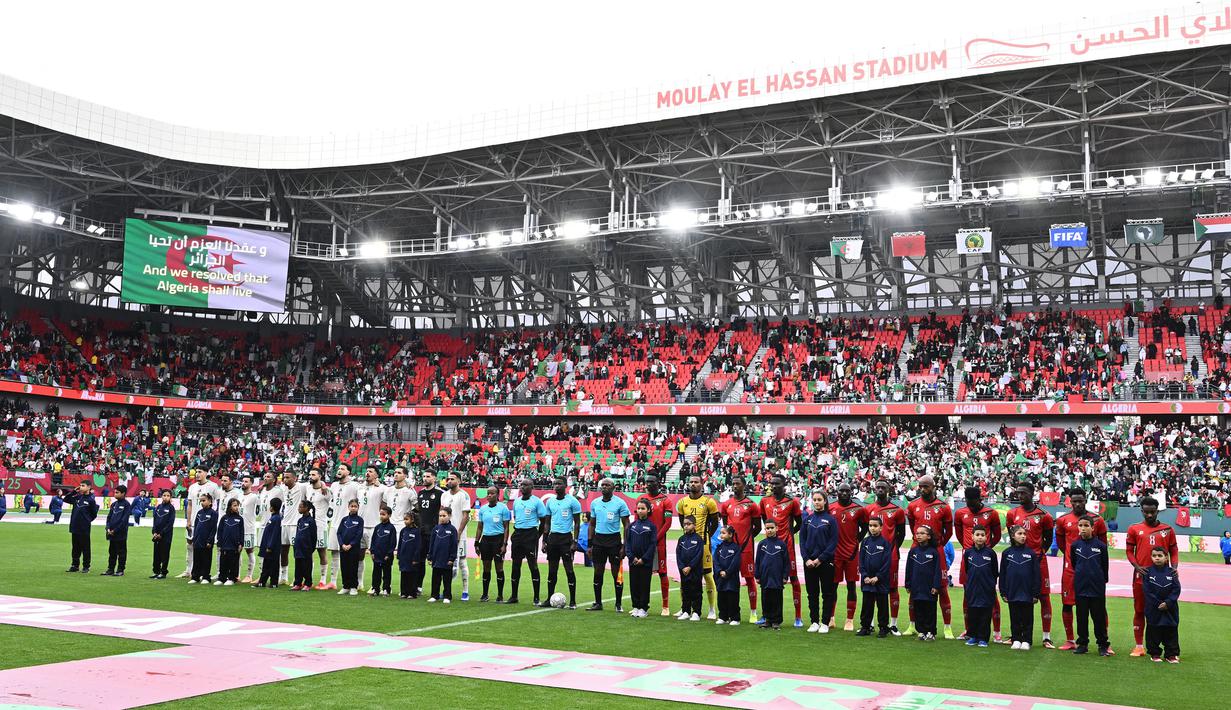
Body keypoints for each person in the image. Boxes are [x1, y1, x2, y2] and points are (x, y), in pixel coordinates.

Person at [1125, 496, 1179, 657]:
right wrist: (1136, 566)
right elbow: (1129, 551)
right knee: (1139, 610)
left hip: (1163, 579)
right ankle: (1139, 646)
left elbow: (1174, 550)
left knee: (1163, 610)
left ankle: (1166, 648)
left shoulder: (1168, 529)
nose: (1149, 515)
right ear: (1142, 511)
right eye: (1146, 512)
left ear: (1158, 511)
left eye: (1153, 512)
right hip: (1141, 577)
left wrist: (1174, 567)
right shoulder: (1134, 529)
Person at [1055, 488, 1108, 651]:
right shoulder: (1063, 520)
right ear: (1070, 501)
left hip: (1092, 572)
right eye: (1074, 501)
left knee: (1099, 607)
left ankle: (1104, 642)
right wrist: (1073, 559)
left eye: (1081, 501)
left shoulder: (1097, 520)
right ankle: (1071, 640)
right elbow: (1062, 544)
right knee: (1068, 604)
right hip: (1071, 570)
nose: (1078, 504)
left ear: (1086, 500)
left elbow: (1102, 546)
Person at [1006, 480, 1056, 647]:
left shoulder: (1044, 516)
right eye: (1018, 492)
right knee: (1017, 598)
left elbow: (1048, 538)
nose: (1020, 496)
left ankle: (1046, 637)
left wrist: (1038, 554)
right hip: (1018, 561)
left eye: (1023, 493)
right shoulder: (1012, 514)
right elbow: (1013, 536)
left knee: (1043, 596)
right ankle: (1016, 635)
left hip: (1038, 561)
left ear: (1032, 493)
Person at [906, 474, 954, 638]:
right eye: (920, 486)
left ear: (933, 487)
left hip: (937, 550)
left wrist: (938, 543)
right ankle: (913, 625)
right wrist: (919, 540)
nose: (922, 489)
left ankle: (947, 627)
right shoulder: (913, 506)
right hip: (917, 549)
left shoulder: (943, 507)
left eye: (926, 486)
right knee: (914, 588)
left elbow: (949, 531)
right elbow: (913, 527)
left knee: (941, 587)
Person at [955, 486, 1003, 642]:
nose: (970, 505)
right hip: (968, 557)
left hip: (985, 557)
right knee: (968, 594)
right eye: (968, 502)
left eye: (973, 502)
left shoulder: (991, 513)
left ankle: (996, 631)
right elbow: (960, 535)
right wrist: (970, 550)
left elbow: (997, 535)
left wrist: (987, 549)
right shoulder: (960, 513)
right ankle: (969, 629)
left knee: (991, 594)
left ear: (980, 499)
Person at [865, 479, 908, 634]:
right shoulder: (869, 509)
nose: (881, 489)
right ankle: (869, 623)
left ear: (889, 489)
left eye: (883, 487)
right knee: (871, 588)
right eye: (878, 487)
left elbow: (901, 533)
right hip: (872, 555)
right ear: (875, 489)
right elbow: (865, 530)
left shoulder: (897, 510)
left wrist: (891, 549)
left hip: (891, 556)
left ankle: (893, 624)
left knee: (892, 588)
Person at [759, 473, 802, 626]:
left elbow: (799, 522)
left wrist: (789, 534)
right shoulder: (764, 501)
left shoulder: (792, 502)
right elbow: (765, 519)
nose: (774, 486)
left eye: (777, 483)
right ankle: (766, 616)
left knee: (793, 579)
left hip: (787, 546)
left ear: (784, 485)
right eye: (772, 483)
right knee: (767, 579)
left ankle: (798, 617)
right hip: (770, 546)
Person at [719, 475, 761, 623]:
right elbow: (726, 527)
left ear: (744, 485)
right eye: (733, 484)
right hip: (730, 549)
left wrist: (746, 540)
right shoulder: (726, 505)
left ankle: (753, 612)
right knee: (729, 578)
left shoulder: (751, 505)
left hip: (746, 549)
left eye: (738, 484)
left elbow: (757, 527)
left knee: (749, 578)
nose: (735, 486)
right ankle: (729, 612)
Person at [830, 482, 869, 632]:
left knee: (851, 585)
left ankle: (849, 619)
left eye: (847, 491)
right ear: (837, 492)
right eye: (842, 491)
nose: (844, 494)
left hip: (852, 553)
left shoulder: (859, 510)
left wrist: (856, 541)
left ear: (851, 492)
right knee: (832, 586)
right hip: (835, 554)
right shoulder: (831, 508)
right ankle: (831, 618)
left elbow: (864, 527)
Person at [587, 478, 630, 613]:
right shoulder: (595, 503)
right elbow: (592, 524)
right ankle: (598, 602)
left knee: (616, 574)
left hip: (614, 541)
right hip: (598, 541)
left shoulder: (620, 503)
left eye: (607, 485)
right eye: (603, 485)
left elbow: (627, 525)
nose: (604, 487)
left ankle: (618, 604)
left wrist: (625, 545)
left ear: (613, 488)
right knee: (598, 572)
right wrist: (590, 544)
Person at [1070, 515, 1112, 656]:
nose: (1083, 528)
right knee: (1081, 617)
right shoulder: (1075, 546)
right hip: (1081, 587)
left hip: (1097, 588)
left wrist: (1101, 581)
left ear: (1093, 528)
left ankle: (1102, 645)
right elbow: (1075, 565)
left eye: (1086, 525)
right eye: (1080, 525)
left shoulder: (1101, 546)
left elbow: (1105, 566)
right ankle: (1082, 644)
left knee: (1098, 617)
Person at [800, 488, 838, 633]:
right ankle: (814, 621)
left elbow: (833, 543)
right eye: (814, 500)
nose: (817, 502)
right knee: (812, 594)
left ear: (825, 501)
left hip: (826, 563)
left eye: (819, 500)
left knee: (827, 593)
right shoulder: (807, 519)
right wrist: (807, 559)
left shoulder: (831, 520)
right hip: (809, 564)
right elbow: (802, 541)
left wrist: (820, 559)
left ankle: (825, 622)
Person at [540, 477, 581, 610]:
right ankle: (549, 597)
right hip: (553, 539)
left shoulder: (572, 502)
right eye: (555, 484)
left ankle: (573, 601)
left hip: (566, 539)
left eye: (559, 484)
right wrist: (544, 540)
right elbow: (547, 523)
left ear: (565, 486)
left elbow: (577, 523)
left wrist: (575, 541)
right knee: (552, 570)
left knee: (569, 569)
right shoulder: (550, 502)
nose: (557, 486)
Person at [636, 474, 675, 616]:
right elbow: (636, 520)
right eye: (647, 482)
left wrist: (655, 539)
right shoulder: (641, 499)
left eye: (652, 482)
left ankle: (665, 606)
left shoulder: (666, 500)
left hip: (658, 544)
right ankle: (640, 604)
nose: (648, 484)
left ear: (658, 483)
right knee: (642, 574)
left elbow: (668, 523)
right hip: (642, 543)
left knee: (662, 573)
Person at [999, 525, 1041, 651]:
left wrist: (1035, 593)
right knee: (1015, 617)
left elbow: (1036, 575)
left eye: (1024, 534)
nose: (1023, 536)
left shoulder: (1031, 554)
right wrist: (1003, 591)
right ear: (1012, 536)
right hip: (1012, 591)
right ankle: (1016, 639)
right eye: (1019, 534)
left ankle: (1027, 640)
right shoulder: (1007, 553)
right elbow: (1003, 574)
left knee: (1027, 617)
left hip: (1027, 592)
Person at [508, 477, 548, 605]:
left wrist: (538, 535)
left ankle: (536, 598)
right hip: (518, 534)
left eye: (526, 485)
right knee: (515, 565)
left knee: (533, 565)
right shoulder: (517, 501)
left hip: (530, 534)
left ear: (532, 487)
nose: (522, 487)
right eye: (521, 485)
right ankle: (514, 596)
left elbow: (544, 521)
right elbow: (516, 517)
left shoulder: (537, 502)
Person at [1143, 546, 1181, 663]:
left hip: (1170, 609)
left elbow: (1176, 589)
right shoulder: (1147, 572)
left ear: (1166, 558)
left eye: (1160, 556)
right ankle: (1154, 653)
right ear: (1151, 557)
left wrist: (1168, 603)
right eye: (1154, 556)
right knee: (1153, 630)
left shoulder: (1172, 572)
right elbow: (1147, 590)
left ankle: (1171, 654)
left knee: (1171, 631)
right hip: (1154, 608)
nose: (1157, 558)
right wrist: (1158, 603)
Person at [962, 525, 999, 648]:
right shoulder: (968, 553)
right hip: (972, 589)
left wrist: (990, 585)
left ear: (986, 537)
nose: (980, 537)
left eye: (982, 535)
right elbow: (967, 570)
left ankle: (983, 638)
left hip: (986, 590)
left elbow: (995, 572)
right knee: (973, 614)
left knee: (985, 614)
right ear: (972, 537)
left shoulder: (991, 553)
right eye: (977, 535)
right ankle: (973, 636)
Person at [856, 516, 892, 637]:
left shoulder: (885, 543)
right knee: (867, 604)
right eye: (870, 526)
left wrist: (878, 577)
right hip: (867, 581)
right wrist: (865, 575)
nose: (872, 528)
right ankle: (865, 627)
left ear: (881, 528)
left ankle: (883, 627)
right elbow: (860, 561)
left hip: (880, 581)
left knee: (882, 605)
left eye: (875, 526)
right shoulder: (865, 542)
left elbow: (886, 563)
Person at [180, 470, 220, 579]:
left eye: (200, 472)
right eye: (196, 472)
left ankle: (212, 572)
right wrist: (188, 520)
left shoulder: (213, 486)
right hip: (194, 521)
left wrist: (214, 516)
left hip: (207, 521)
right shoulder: (192, 487)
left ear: (206, 473)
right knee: (190, 544)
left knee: (208, 546)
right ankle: (189, 570)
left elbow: (218, 501)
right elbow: (189, 504)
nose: (197, 474)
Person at [906, 525, 942, 641]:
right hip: (916, 587)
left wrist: (936, 586)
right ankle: (921, 631)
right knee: (918, 610)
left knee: (930, 610)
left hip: (929, 588)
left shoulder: (934, 552)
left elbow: (937, 571)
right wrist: (908, 584)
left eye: (922, 533)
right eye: (917, 533)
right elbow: (909, 569)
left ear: (929, 536)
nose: (919, 535)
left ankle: (931, 632)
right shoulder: (913, 551)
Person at [475, 488, 512, 602]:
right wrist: (477, 542)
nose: (489, 495)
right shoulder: (483, 509)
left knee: (499, 568)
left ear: (498, 495)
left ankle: (500, 595)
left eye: (492, 493)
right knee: (486, 568)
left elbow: (506, 527)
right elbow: (480, 527)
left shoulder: (503, 508)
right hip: (486, 540)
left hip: (498, 540)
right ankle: (485, 594)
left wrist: (504, 544)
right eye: (488, 493)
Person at [325, 465, 358, 590]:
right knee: (334, 552)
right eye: (339, 468)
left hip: (347, 525)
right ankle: (333, 582)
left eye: (343, 469)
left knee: (349, 554)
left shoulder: (354, 486)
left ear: (349, 472)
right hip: (334, 523)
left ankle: (356, 583)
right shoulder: (333, 485)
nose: (339, 470)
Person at [440, 473, 471, 600]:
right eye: (449, 479)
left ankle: (465, 591)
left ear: (459, 480)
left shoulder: (464, 495)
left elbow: (466, 516)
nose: (450, 481)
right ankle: (447, 590)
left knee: (462, 562)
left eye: (452, 479)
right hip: (445, 534)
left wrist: (458, 533)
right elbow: (442, 513)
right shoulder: (444, 495)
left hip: (459, 535)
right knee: (445, 562)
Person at [627, 500, 659, 619]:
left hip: (645, 563)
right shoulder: (632, 525)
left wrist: (644, 559)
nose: (640, 510)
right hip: (633, 561)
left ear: (649, 510)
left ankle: (643, 608)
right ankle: (635, 606)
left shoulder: (651, 526)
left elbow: (652, 545)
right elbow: (628, 543)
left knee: (644, 585)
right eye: (638, 508)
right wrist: (632, 557)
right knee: (634, 584)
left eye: (643, 508)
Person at [414, 471, 445, 595]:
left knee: (436, 562)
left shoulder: (440, 493)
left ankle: (437, 590)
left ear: (434, 478)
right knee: (419, 560)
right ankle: (418, 587)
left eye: (428, 476)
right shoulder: (420, 493)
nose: (425, 478)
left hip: (434, 532)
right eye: (424, 476)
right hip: (421, 532)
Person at [358, 467, 388, 592]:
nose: (367, 473)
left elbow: (388, 497)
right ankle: (359, 583)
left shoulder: (382, 488)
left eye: (371, 471)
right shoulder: (359, 487)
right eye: (367, 471)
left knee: (376, 557)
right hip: (360, 526)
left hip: (374, 526)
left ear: (376, 475)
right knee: (359, 556)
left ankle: (376, 585)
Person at [755, 519, 789, 630]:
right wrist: (757, 575)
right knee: (765, 599)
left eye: (772, 528)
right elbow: (758, 561)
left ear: (777, 528)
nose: (769, 530)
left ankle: (776, 621)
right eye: (767, 528)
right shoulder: (762, 544)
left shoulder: (782, 544)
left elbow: (786, 562)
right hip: (765, 577)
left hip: (777, 577)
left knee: (777, 599)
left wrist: (785, 576)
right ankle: (767, 620)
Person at [281, 471, 312, 586]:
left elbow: (315, 485)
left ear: (295, 478)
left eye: (288, 477)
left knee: (297, 552)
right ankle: (283, 576)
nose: (285, 479)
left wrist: (323, 485)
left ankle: (299, 578)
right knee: (283, 551)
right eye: (284, 477)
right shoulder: (283, 489)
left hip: (296, 524)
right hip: (284, 523)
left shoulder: (302, 487)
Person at [64, 482, 99, 573]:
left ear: (89, 487)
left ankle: (86, 566)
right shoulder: (77, 497)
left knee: (85, 547)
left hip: (84, 527)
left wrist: (86, 521)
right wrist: (73, 492)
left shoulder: (91, 499)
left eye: (83, 486)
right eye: (80, 485)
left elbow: (94, 514)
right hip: (74, 526)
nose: (81, 487)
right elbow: (66, 499)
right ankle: (75, 565)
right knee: (75, 547)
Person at [676, 515, 704, 621]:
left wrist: (690, 567)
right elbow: (678, 555)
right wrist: (682, 567)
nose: (686, 526)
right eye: (684, 524)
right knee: (685, 591)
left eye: (689, 524)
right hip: (684, 571)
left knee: (696, 591)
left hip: (695, 571)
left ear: (694, 525)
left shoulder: (698, 539)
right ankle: (686, 611)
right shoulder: (681, 539)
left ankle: (696, 612)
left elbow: (698, 555)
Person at [307, 469, 332, 589]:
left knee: (322, 552)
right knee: (308, 553)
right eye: (310, 474)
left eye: (313, 474)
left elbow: (330, 499)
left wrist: (323, 485)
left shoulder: (325, 491)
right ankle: (308, 579)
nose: (310, 476)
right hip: (308, 526)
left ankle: (323, 580)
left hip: (321, 525)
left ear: (320, 476)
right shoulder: (307, 488)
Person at [713, 525, 743, 625]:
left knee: (732, 598)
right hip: (721, 578)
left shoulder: (736, 548)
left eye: (723, 533)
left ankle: (735, 618)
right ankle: (723, 616)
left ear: (730, 534)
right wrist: (720, 571)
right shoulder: (719, 548)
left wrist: (727, 572)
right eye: (720, 533)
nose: (721, 535)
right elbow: (715, 561)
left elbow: (736, 562)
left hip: (731, 578)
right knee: (721, 598)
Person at [428, 508, 458, 603]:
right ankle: (434, 595)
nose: (442, 518)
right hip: (436, 559)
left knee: (447, 579)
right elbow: (431, 544)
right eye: (440, 516)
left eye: (444, 516)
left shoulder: (452, 530)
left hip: (447, 559)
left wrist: (452, 558)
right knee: (435, 578)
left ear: (449, 516)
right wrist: (430, 557)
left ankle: (447, 596)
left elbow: (454, 545)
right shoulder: (436, 529)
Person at [101, 485, 131, 577]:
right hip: (111, 533)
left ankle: (120, 570)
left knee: (121, 552)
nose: (115, 494)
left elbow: (124, 520)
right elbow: (109, 518)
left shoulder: (127, 505)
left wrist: (115, 530)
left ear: (123, 494)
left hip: (121, 533)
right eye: (115, 492)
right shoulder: (114, 504)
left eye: (117, 492)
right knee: (112, 552)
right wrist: (108, 528)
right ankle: (110, 569)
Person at [253, 498, 283, 588]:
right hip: (269, 546)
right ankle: (262, 582)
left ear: (272, 507)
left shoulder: (276, 519)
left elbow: (274, 533)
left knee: (273, 565)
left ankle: (273, 583)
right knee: (266, 565)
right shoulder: (273, 517)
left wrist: (270, 546)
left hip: (272, 548)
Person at [367, 505, 396, 596]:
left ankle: (386, 589)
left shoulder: (391, 528)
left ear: (389, 515)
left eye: (384, 514)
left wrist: (388, 554)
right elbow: (373, 540)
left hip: (386, 556)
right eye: (380, 514)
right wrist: (372, 552)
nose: (382, 516)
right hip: (377, 555)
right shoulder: (377, 527)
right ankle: (375, 589)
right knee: (376, 573)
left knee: (386, 573)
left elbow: (393, 542)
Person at [337, 498, 364, 596]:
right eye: (351, 506)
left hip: (354, 549)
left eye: (355, 506)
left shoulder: (360, 520)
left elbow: (359, 534)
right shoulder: (344, 520)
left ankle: (353, 587)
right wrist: (342, 544)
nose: (353, 508)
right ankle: (345, 586)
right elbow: (339, 533)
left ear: (358, 508)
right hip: (343, 548)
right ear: (348, 507)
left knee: (353, 567)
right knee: (344, 567)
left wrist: (351, 545)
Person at [189, 493, 218, 584]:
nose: (202, 502)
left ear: (210, 502)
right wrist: (194, 538)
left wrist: (210, 540)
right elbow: (196, 526)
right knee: (196, 559)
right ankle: (195, 576)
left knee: (206, 559)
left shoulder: (213, 513)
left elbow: (213, 528)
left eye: (204, 500)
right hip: (198, 540)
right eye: (201, 501)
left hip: (207, 541)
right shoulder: (199, 513)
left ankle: (206, 577)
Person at [215, 497, 245, 586]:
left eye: (238, 506)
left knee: (233, 562)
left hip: (234, 546)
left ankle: (232, 578)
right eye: (235, 505)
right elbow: (219, 531)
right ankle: (222, 578)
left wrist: (241, 543)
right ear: (230, 507)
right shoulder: (224, 518)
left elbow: (242, 532)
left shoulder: (240, 519)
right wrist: (219, 542)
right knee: (223, 562)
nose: (237, 507)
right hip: (224, 545)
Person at [292, 500, 319, 592]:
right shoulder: (300, 520)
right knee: (298, 566)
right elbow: (297, 533)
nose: (299, 508)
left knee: (307, 566)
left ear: (306, 508)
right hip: (298, 548)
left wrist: (311, 548)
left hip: (306, 548)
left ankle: (308, 583)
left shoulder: (311, 521)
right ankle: (298, 583)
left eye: (300, 507)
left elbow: (314, 536)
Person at [150, 489, 176, 579]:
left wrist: (161, 533)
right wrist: (154, 532)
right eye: (164, 495)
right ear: (161, 496)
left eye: (168, 496)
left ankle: (163, 572)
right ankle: (156, 571)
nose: (166, 497)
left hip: (166, 535)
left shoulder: (171, 508)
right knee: (156, 554)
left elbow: (170, 523)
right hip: (156, 535)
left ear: (170, 497)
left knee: (164, 554)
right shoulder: (158, 507)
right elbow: (155, 520)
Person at [239, 475, 261, 583]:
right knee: (237, 551)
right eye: (243, 481)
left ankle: (249, 575)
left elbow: (258, 512)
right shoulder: (239, 496)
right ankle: (237, 574)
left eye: (246, 481)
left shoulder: (254, 497)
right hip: (238, 529)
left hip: (249, 528)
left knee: (249, 551)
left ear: (251, 483)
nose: (243, 483)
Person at [397, 512, 423, 599]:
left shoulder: (417, 532)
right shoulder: (403, 531)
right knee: (403, 575)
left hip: (412, 558)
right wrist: (399, 556)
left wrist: (416, 558)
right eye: (404, 519)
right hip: (403, 558)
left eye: (407, 519)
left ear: (412, 520)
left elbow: (418, 546)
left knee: (412, 576)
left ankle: (412, 593)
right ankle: (404, 592)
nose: (405, 521)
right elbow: (400, 544)